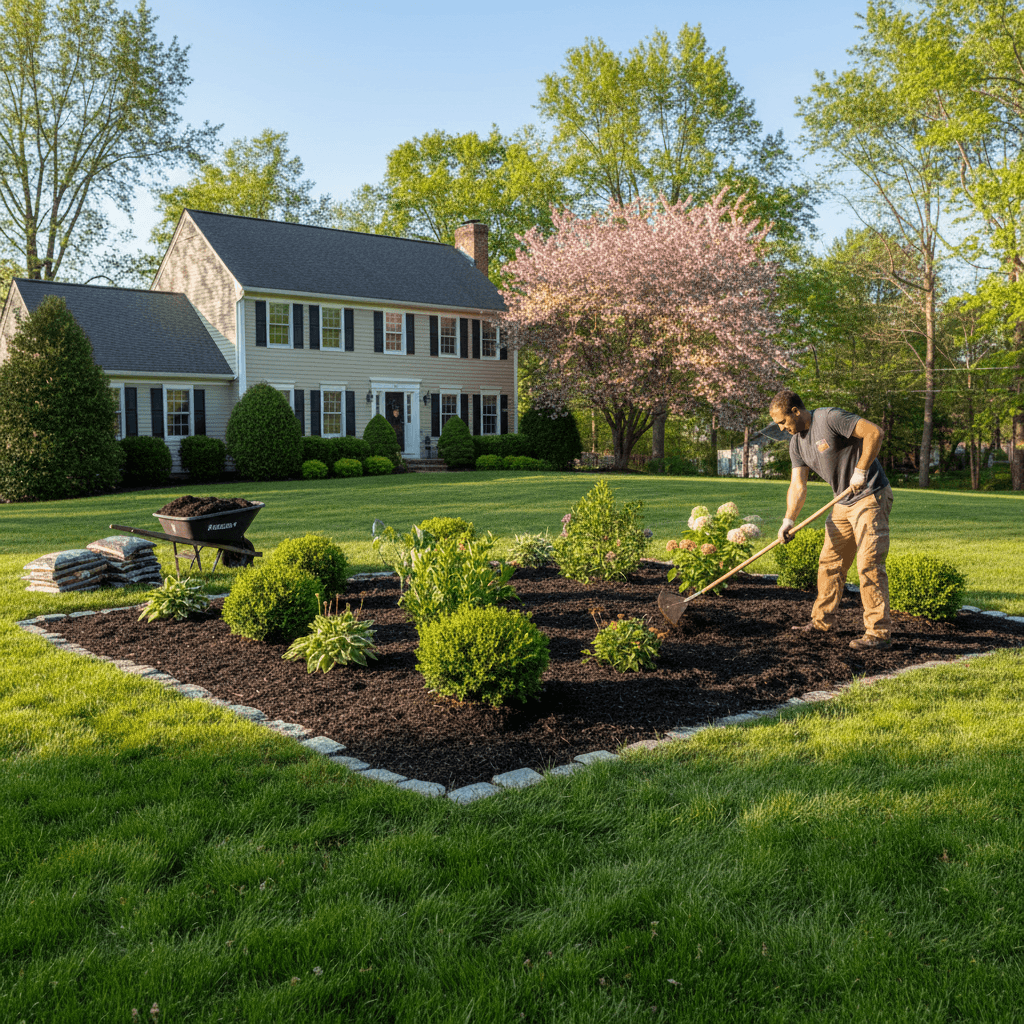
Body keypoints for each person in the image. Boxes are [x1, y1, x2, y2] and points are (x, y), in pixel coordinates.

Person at [769, 389, 894, 650]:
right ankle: (822, 622)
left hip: (870, 495)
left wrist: (861, 470)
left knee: (868, 564)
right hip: (842, 502)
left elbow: (874, 432)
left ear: (796, 411)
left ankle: (878, 633)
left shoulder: (830, 418)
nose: (781, 428)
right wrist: (788, 520)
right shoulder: (797, 444)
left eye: (783, 421)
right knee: (830, 563)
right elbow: (798, 486)